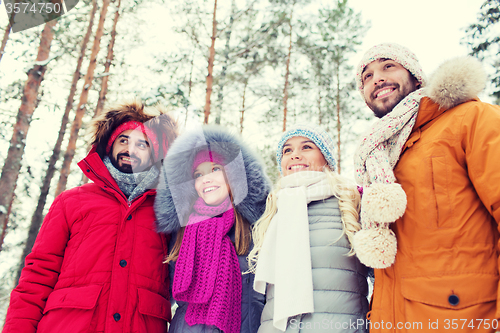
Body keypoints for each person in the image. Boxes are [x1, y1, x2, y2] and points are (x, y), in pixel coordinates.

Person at [352, 43, 500, 332]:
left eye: (388, 66)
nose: (376, 78)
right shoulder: (380, 159)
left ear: (416, 77)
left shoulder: (472, 119)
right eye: (367, 76)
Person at [2, 99, 178, 333]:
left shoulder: (168, 211)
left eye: (142, 144)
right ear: (109, 145)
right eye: (123, 140)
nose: (129, 149)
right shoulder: (71, 201)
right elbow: (37, 277)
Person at [248, 124, 369, 333]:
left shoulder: (352, 202)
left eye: (306, 147)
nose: (295, 155)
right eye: (287, 150)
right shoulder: (272, 212)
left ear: (326, 159)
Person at [154, 125, 271, 333]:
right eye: (198, 174)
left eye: (215, 169)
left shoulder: (257, 228)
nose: (206, 178)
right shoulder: (180, 233)